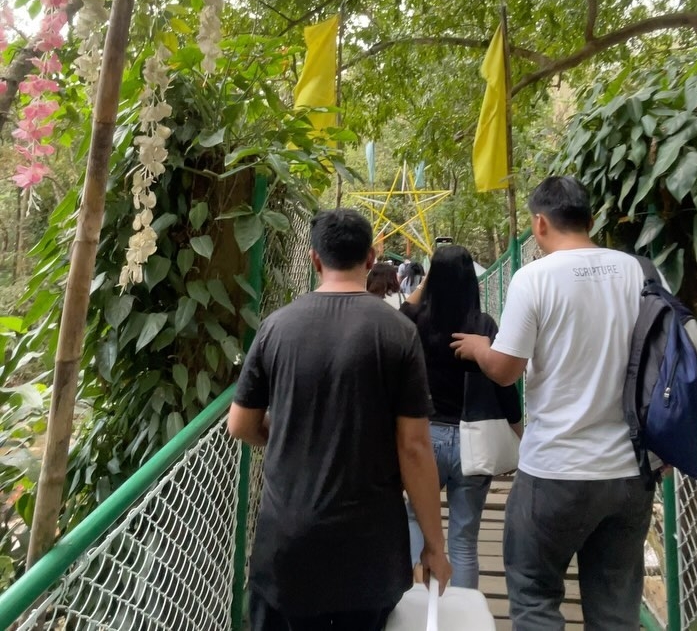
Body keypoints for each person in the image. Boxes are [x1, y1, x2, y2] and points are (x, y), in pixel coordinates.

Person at [228, 208, 451, 631]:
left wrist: (291, 430)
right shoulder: (397, 332)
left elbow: (239, 425)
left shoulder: (276, 328)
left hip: (286, 549)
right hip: (368, 554)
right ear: (370, 258)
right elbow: (414, 447)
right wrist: (434, 546)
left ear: (314, 260)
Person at [451, 176, 655, 630]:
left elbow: (506, 369)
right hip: (630, 469)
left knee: (535, 596)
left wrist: (482, 347)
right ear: (592, 218)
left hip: (556, 471)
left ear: (539, 224)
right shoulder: (638, 271)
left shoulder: (535, 278)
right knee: (616, 608)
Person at [400, 244, 522, 589]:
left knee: (414, 520)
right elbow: (504, 387)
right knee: (464, 538)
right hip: (475, 442)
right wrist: (519, 432)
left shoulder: (415, 322)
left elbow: (402, 310)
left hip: (425, 439)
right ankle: (465, 614)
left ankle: (413, 606)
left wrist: (430, 278)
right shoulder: (483, 326)